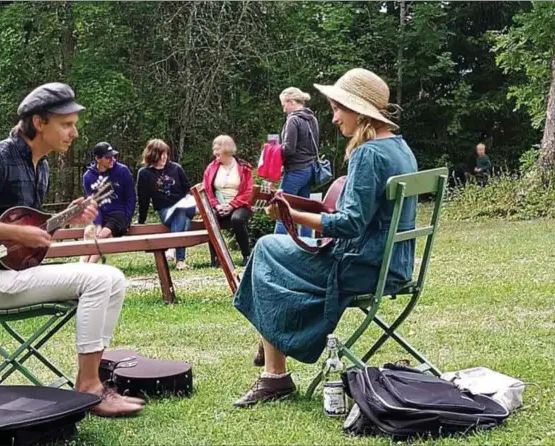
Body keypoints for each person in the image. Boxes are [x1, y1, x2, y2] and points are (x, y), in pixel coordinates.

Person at [0, 82, 143, 417]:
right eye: (66, 124)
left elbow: (27, 236)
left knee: (114, 279)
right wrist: (17, 231)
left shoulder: (42, 166)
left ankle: (87, 386)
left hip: (17, 272)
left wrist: (65, 218)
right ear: (39, 123)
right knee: (98, 279)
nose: (74, 133)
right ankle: (90, 388)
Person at [233, 68, 418, 408]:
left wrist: (291, 215)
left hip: (361, 267)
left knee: (265, 250)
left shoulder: (368, 153)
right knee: (271, 260)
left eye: (338, 109)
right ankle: (273, 339)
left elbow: (349, 224)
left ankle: (275, 373)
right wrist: (304, 208)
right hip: (396, 265)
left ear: (360, 112)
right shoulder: (400, 148)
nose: (333, 118)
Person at [136, 139, 194, 270]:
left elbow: (187, 190)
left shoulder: (176, 168)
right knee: (183, 220)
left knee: (181, 210)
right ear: (152, 154)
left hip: (186, 206)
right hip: (165, 211)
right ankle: (180, 261)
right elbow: (143, 199)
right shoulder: (144, 174)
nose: (164, 157)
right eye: (160, 154)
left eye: (166, 154)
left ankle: (172, 247)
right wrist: (141, 221)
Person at [274, 87, 320, 238]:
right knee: (304, 210)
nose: (283, 109)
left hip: (295, 170)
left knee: (282, 209)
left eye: (283, 105)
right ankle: (306, 243)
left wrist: (272, 151)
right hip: (309, 169)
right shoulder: (312, 118)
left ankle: (277, 246)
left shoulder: (293, 119)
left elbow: (289, 149)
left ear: (290, 101)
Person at [202, 135, 254, 266]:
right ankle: (217, 258)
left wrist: (232, 205)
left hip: (240, 205)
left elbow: (248, 191)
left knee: (237, 219)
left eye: (218, 152)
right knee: (210, 218)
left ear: (227, 151)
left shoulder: (244, 167)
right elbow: (206, 190)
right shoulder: (211, 168)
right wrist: (216, 205)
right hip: (219, 205)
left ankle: (247, 255)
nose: (215, 155)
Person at [80, 141, 136, 263]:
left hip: (119, 215)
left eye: (113, 156)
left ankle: (87, 267)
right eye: (108, 157)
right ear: (98, 159)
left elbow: (131, 198)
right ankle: (82, 266)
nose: (112, 159)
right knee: (90, 232)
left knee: (103, 235)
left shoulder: (122, 171)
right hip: (101, 214)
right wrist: (98, 224)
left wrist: (127, 221)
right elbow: (93, 203)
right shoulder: (88, 177)